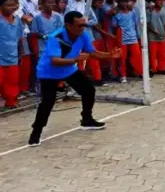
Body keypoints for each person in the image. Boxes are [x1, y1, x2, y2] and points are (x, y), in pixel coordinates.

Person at [29, 11, 122, 146]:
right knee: (48, 102)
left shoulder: (83, 35)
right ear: (68, 25)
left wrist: (110, 56)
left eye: (84, 25)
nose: (83, 28)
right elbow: (55, 61)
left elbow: (93, 52)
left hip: (69, 70)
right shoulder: (56, 37)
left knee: (88, 90)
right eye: (79, 25)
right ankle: (36, 132)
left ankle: (87, 119)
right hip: (48, 73)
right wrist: (75, 59)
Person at [0, 0, 24, 109]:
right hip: (0, 54)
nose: (12, 8)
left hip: (12, 54)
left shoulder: (18, 20)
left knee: (12, 80)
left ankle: (11, 101)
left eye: (14, 5)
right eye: (8, 5)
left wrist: (21, 52)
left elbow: (20, 38)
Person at [112, 0, 143, 83]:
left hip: (133, 37)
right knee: (122, 58)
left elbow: (135, 24)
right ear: (119, 3)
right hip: (122, 39)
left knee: (137, 56)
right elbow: (114, 25)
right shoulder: (117, 14)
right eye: (123, 2)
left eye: (126, 2)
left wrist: (138, 35)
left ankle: (140, 72)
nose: (125, 4)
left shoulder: (132, 12)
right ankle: (123, 75)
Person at [147, 0, 165, 75]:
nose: (160, 2)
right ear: (154, 1)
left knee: (162, 53)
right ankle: (153, 69)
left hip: (162, 36)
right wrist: (154, 30)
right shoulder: (150, 11)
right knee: (153, 54)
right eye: (158, 0)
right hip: (152, 36)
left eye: (161, 0)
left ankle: (162, 68)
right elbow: (147, 23)